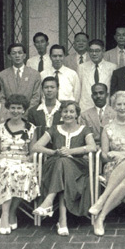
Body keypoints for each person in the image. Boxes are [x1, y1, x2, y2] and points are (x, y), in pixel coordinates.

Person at [32, 101, 98, 236]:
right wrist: (54, 152)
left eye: (71, 111)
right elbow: (37, 146)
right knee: (62, 165)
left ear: (77, 114)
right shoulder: (55, 129)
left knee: (64, 165)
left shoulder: (84, 129)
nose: (68, 114)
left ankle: (49, 202)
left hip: (78, 168)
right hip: (56, 165)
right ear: (61, 114)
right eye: (65, 111)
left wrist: (70, 151)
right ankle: (62, 220)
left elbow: (92, 147)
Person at [89, 91, 125, 236]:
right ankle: (100, 218)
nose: (122, 107)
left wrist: (121, 155)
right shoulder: (107, 128)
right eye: (119, 104)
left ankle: (101, 206)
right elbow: (104, 155)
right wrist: (114, 157)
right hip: (113, 167)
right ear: (113, 106)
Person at [0, 94, 39, 235]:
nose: (15, 111)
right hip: (2, 162)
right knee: (9, 172)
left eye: (19, 108)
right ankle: (5, 215)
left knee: (23, 173)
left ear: (24, 110)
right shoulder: (0, 128)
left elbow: (33, 152)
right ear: (8, 109)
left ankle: (11, 212)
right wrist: (9, 160)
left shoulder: (31, 128)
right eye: (12, 108)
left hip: (23, 162)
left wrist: (25, 159)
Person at [0, 42, 42, 109]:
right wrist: (9, 112)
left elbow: (36, 97)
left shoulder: (34, 74)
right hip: (9, 114)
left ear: (24, 55)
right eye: (14, 53)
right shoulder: (2, 75)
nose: (17, 55)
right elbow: (1, 97)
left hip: (28, 114)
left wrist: (25, 112)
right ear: (9, 56)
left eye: (20, 53)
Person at [78, 39, 117, 111]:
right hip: (86, 107)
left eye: (97, 51)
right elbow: (78, 90)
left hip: (106, 108)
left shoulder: (112, 67)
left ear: (103, 51)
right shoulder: (82, 67)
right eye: (91, 51)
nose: (94, 54)